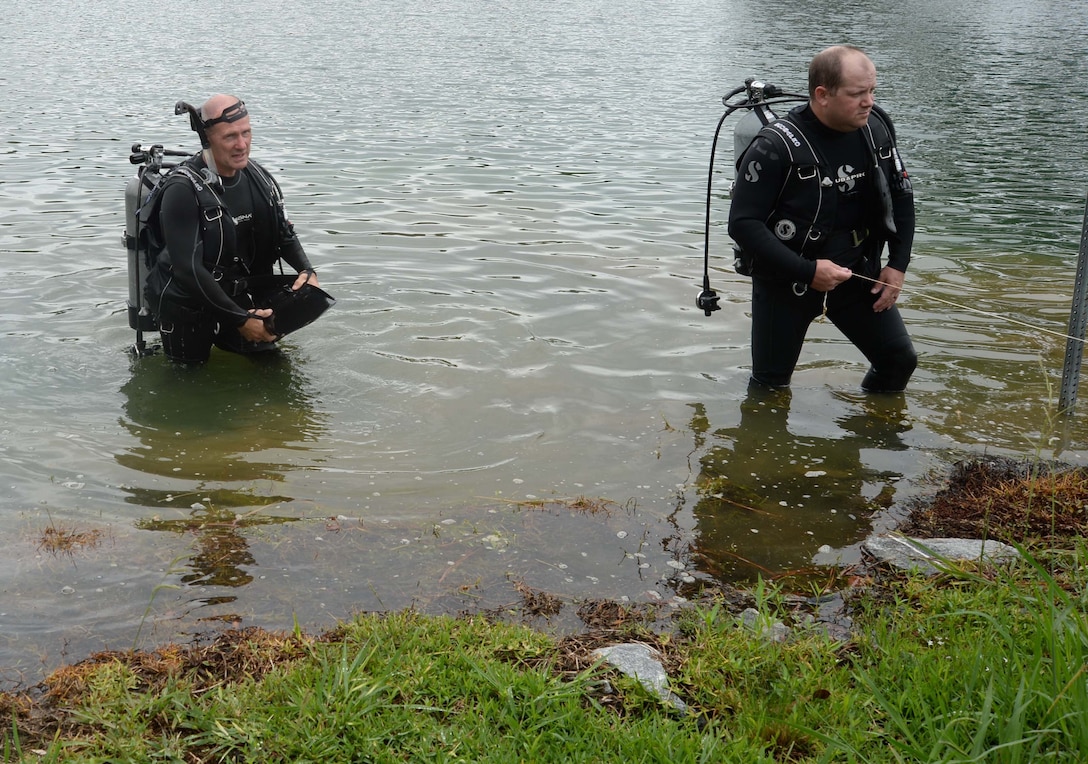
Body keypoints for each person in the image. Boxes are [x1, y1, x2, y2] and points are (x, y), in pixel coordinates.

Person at [728, 45, 917, 392]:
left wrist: (898, 265)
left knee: (898, 361)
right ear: (822, 94)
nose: (869, 102)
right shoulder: (774, 147)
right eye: (857, 93)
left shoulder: (876, 130)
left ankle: (874, 434)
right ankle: (762, 443)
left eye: (872, 91)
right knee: (770, 388)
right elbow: (742, 224)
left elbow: (902, 199)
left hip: (857, 271)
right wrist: (808, 272)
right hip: (789, 279)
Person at [143, 94, 321, 364]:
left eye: (246, 133)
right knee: (187, 387)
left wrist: (307, 270)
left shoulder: (256, 177)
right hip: (187, 305)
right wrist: (240, 320)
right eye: (230, 137)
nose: (242, 145)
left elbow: (282, 233)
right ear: (207, 139)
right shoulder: (182, 190)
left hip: (238, 298)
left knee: (276, 373)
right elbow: (187, 269)